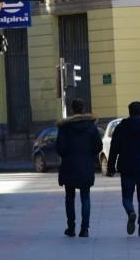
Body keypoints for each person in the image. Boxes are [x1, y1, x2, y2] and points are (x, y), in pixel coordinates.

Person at [107, 101, 140, 237]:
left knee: (127, 197)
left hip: (126, 167)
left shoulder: (121, 128)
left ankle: (131, 211)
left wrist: (110, 168)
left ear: (129, 111)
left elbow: (114, 149)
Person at [55, 98, 100, 238]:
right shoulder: (91, 127)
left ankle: (71, 227)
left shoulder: (64, 127)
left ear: (72, 110)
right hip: (86, 166)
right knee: (85, 197)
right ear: (83, 109)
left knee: (69, 197)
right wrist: (89, 155)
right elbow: (98, 146)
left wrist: (68, 154)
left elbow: (60, 148)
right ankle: (85, 229)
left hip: (69, 166)